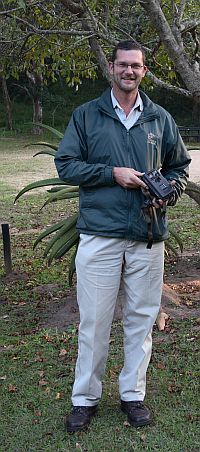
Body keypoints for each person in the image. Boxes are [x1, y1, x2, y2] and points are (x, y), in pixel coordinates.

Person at [55, 40, 191, 432]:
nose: (129, 71)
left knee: (141, 319)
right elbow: (65, 164)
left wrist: (169, 188)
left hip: (148, 234)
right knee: (94, 321)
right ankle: (85, 399)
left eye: (136, 66)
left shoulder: (160, 118)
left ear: (144, 71)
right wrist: (110, 173)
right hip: (101, 235)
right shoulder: (87, 115)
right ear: (111, 69)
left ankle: (133, 395)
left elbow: (180, 166)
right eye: (123, 65)